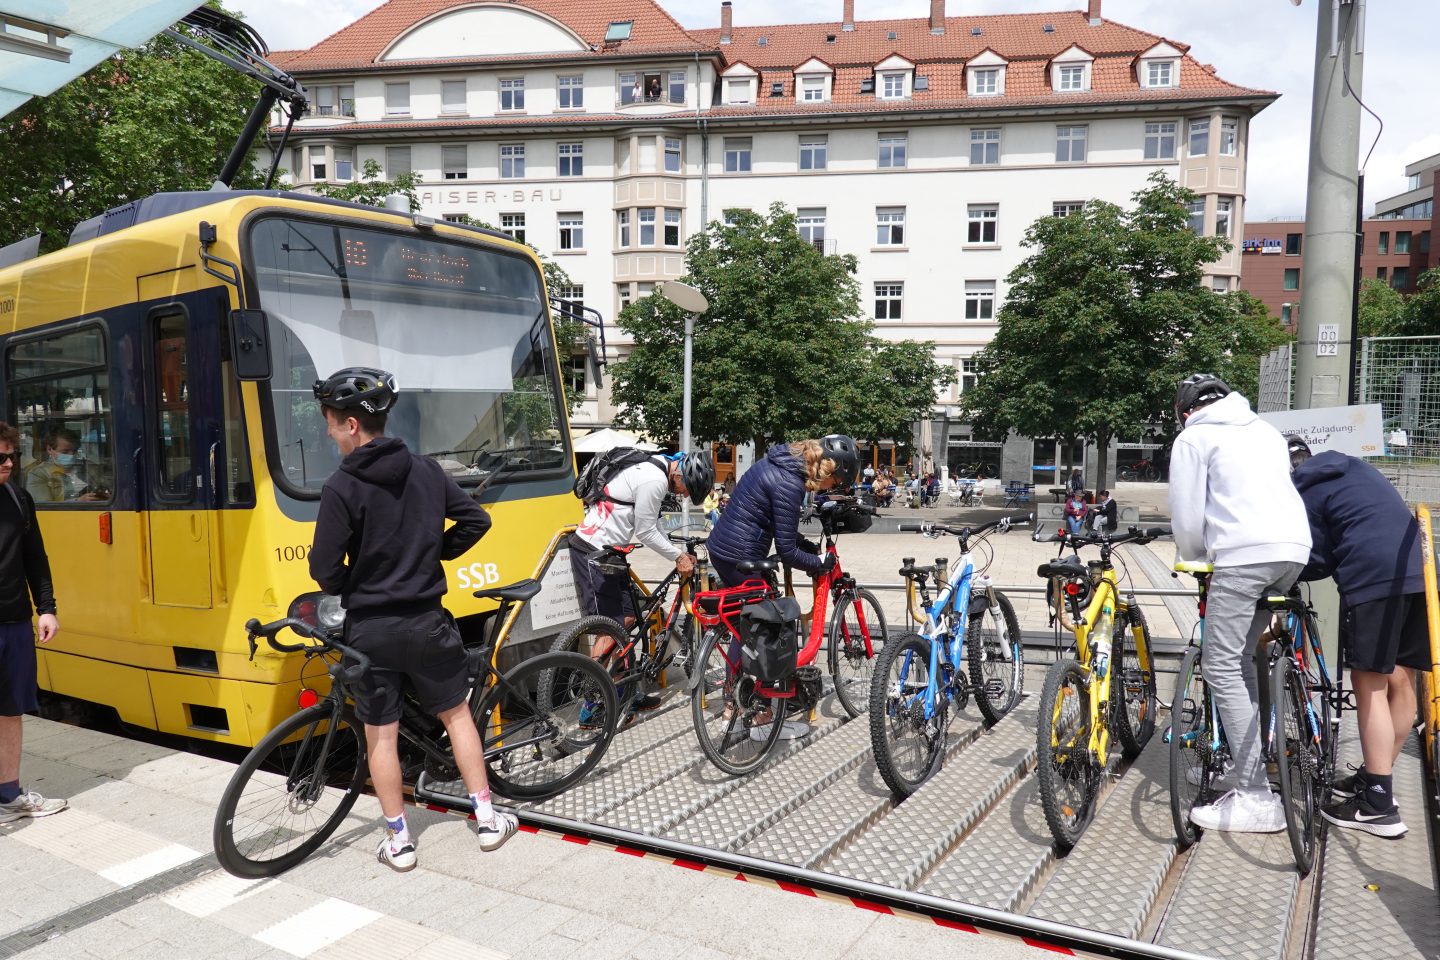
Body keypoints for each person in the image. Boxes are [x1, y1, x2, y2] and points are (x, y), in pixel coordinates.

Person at [306, 367, 512, 872]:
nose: (330, 434)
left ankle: (399, 842)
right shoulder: (426, 470)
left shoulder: (341, 486)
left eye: (331, 424)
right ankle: (487, 820)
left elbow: (326, 573)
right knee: (456, 714)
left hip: (370, 631)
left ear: (352, 425)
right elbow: (476, 520)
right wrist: (432, 554)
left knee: (382, 733)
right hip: (427, 621)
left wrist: (361, 574)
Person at [1168, 374, 1311, 833]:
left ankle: (1255, 795)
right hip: (1292, 551)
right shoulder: (1264, 430)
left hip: (1245, 555)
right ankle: (1244, 760)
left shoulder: (1195, 437)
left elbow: (1188, 515)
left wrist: (1193, 557)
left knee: (1219, 666)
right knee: (1245, 658)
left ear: (1184, 410)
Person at [1288, 435, 1424, 837]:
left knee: (1370, 687)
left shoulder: (1304, 489)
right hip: (1419, 571)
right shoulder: (1357, 469)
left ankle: (1378, 804)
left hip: (1372, 581)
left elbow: (1316, 557)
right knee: (1401, 678)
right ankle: (1374, 777)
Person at [570, 448, 713, 709]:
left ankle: (623, 694)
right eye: (687, 488)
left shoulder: (655, 468)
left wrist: (678, 552)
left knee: (626, 618)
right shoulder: (654, 480)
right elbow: (645, 531)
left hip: (609, 553)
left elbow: (652, 524)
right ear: (680, 474)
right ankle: (592, 706)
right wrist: (677, 558)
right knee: (609, 626)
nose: (683, 495)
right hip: (593, 551)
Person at [0, 421, 67, 825]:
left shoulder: (19, 499)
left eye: (12, 456)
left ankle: (9, 794)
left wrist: (46, 607)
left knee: (10, 711)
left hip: (13, 623)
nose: (8, 463)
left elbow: (35, 559)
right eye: (0, 457)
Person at [707, 435, 859, 589]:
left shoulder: (782, 465)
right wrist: (819, 562)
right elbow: (787, 551)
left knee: (739, 608)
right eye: (834, 484)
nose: (829, 489)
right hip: (737, 556)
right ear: (827, 471)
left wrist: (802, 543)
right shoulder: (790, 484)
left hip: (723, 547)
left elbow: (774, 519)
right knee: (768, 610)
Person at [24, 427, 103, 503]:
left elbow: (102, 484)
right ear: (49, 449)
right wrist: (78, 502)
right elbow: (45, 507)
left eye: (74, 451)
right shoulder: (38, 474)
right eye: (65, 452)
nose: (71, 455)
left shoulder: (87, 467)